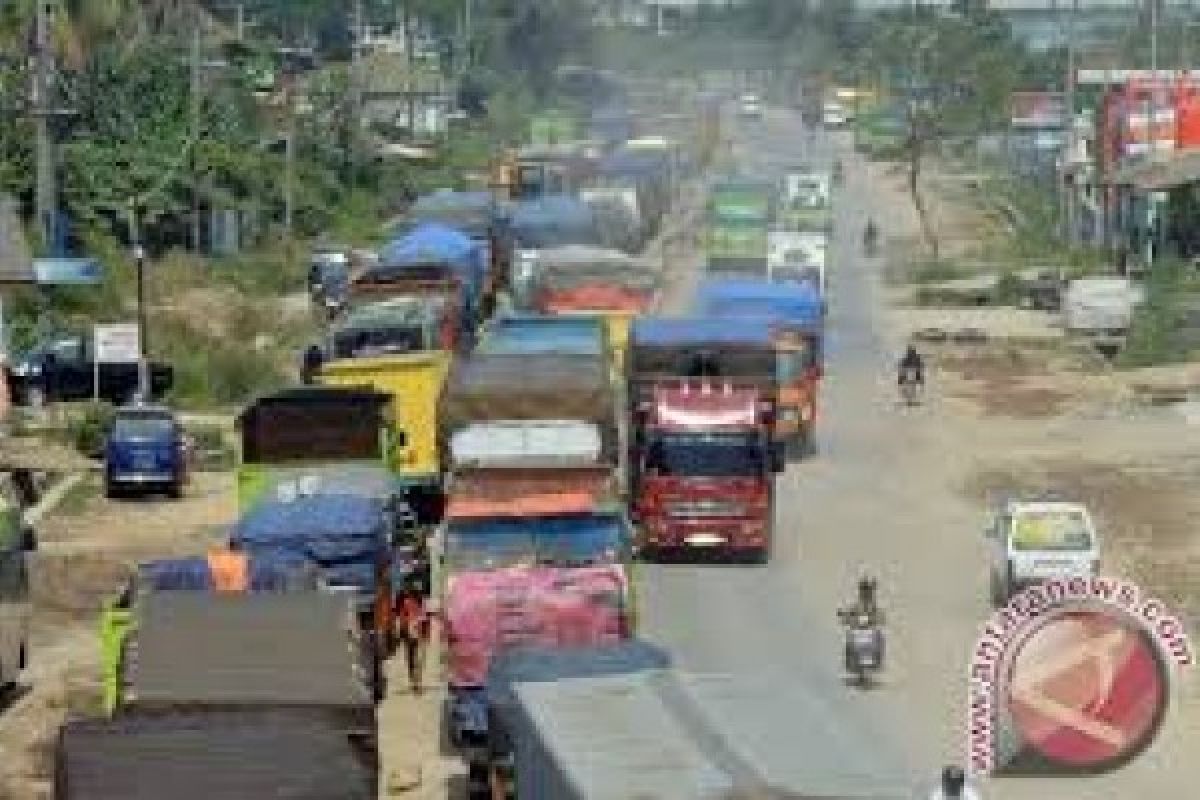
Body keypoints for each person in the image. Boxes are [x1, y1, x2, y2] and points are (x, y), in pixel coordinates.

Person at [396, 543, 432, 694]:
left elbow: (430, 594)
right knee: (413, 651)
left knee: (418, 650)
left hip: (418, 615)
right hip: (411, 614)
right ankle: (415, 679)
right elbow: (397, 601)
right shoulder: (404, 575)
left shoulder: (424, 572)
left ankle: (416, 679)